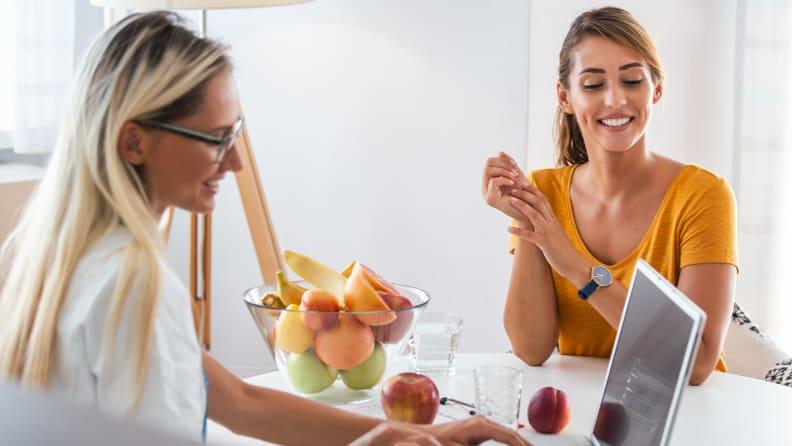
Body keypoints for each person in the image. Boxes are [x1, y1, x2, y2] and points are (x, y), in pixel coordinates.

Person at [0, 12, 529, 446]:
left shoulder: (50, 256)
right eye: (214, 138)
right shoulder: (132, 286)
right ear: (134, 143)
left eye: (236, 133)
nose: (234, 163)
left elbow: (236, 401)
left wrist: (400, 435)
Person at [482, 6, 737, 386]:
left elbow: (696, 363)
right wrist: (526, 216)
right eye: (593, 85)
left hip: (688, 415)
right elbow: (531, 348)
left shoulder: (702, 196)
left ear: (657, 89)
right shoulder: (544, 192)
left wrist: (574, 265)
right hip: (582, 411)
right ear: (565, 97)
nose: (616, 100)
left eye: (632, 81)